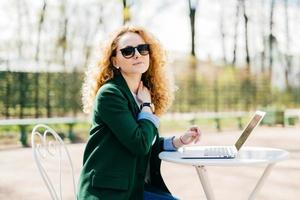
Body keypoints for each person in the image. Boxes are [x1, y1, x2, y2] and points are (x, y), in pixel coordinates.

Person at [77, 25, 201, 200]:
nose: (137, 54)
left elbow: (147, 140)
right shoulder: (110, 94)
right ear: (115, 61)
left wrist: (179, 141)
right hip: (107, 193)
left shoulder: (141, 94)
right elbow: (139, 144)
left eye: (143, 49)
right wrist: (147, 107)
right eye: (127, 51)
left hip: (132, 189)